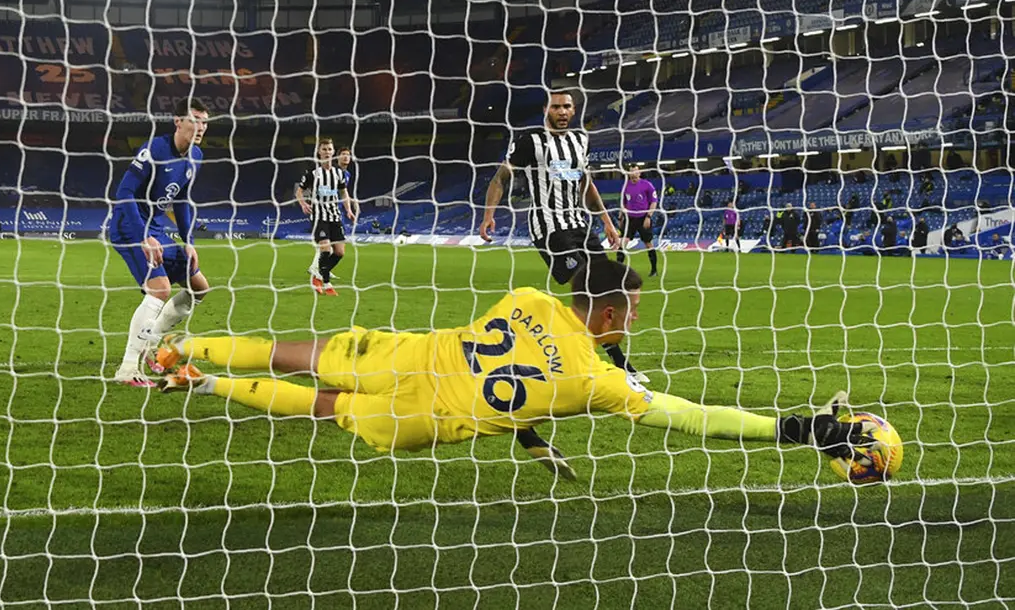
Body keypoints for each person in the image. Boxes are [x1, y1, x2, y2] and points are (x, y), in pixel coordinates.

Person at [148, 257, 879, 480]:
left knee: (293, 353)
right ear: (609, 316)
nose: (632, 317)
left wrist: (530, 426)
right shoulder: (595, 382)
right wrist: (795, 428)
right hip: (420, 422)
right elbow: (690, 417)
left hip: (405, 353)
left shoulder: (526, 294)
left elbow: (526, 346)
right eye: (628, 309)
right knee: (324, 411)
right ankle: (202, 384)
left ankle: (183, 351)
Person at [107, 97, 212, 386]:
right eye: (195, 120)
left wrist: (188, 241)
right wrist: (144, 237)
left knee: (199, 288)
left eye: (205, 121)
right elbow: (124, 192)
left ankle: (152, 343)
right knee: (159, 290)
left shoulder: (196, 157)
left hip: (156, 227)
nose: (201, 127)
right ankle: (128, 368)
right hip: (130, 226)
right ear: (178, 122)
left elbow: (181, 200)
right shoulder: (154, 150)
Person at [480, 91, 621, 284]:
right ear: (546, 110)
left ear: (573, 111)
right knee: (583, 280)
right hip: (548, 226)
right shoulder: (530, 140)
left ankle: (586, 314)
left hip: (578, 223)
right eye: (556, 107)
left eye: (566, 107)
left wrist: (607, 221)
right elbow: (499, 179)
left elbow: (585, 184)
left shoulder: (581, 140)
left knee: (606, 280)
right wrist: (489, 215)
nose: (562, 112)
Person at [297, 138, 357, 295]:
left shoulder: (339, 174)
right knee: (325, 250)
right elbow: (299, 191)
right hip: (319, 217)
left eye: (329, 149)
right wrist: (303, 204)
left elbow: (344, 192)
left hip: (335, 216)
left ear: (332, 152)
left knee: (340, 252)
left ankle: (318, 273)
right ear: (319, 152)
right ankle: (326, 283)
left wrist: (349, 210)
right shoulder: (313, 174)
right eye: (324, 149)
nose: (327, 152)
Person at [617, 166, 659, 276]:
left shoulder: (647, 185)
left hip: (643, 217)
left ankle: (654, 270)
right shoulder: (625, 186)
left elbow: (654, 202)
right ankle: (617, 271)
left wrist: (648, 216)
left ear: (639, 173)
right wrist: (620, 217)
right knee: (622, 242)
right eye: (631, 172)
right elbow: (623, 203)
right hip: (630, 218)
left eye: (635, 171)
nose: (634, 174)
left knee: (648, 243)